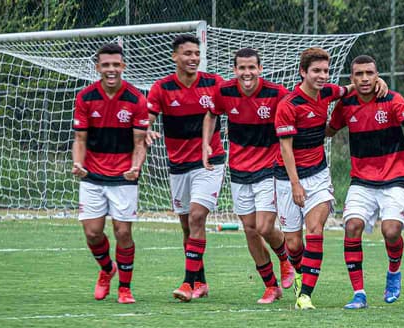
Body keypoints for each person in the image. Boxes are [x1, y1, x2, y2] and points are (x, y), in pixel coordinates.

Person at [327, 55, 404, 309]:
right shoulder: (345, 103)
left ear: (377, 74)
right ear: (352, 78)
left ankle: (394, 271)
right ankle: (359, 293)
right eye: (359, 74)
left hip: (395, 179)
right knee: (352, 226)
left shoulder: (392, 99)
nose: (365, 78)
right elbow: (328, 130)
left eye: (369, 73)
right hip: (362, 181)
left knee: (391, 231)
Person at [274, 47, 387, 310]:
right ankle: (300, 272)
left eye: (325, 70)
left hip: (318, 176)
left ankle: (306, 296)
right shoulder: (289, 105)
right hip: (288, 178)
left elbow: (351, 88)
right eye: (316, 71)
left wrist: (379, 81)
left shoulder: (329, 93)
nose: (322, 75)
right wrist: (294, 184)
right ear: (303, 72)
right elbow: (285, 148)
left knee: (315, 230)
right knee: (293, 244)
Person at [202, 48, 295, 304]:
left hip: (269, 169)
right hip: (239, 171)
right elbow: (211, 114)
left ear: (260, 69)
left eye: (251, 67)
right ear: (234, 70)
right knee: (250, 230)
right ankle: (270, 286)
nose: (247, 73)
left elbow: (301, 100)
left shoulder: (276, 94)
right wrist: (207, 143)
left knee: (264, 226)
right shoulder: (224, 92)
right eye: (242, 68)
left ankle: (285, 260)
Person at [146, 34, 225, 302]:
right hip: (178, 165)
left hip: (209, 162)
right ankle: (201, 281)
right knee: (186, 227)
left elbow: (239, 101)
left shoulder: (214, 84)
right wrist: (144, 130)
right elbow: (147, 118)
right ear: (175, 57)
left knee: (196, 218)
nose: (193, 58)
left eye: (196, 53)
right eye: (187, 53)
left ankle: (188, 283)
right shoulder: (162, 88)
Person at [71, 43, 148, 304]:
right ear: (98, 68)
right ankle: (107, 270)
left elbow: (140, 143)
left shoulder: (137, 99)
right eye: (106, 65)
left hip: (124, 176)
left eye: (116, 64)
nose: (111, 69)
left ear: (123, 66)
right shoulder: (85, 97)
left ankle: (125, 288)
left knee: (123, 233)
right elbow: (80, 139)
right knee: (92, 232)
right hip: (92, 174)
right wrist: (78, 164)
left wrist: (136, 167)